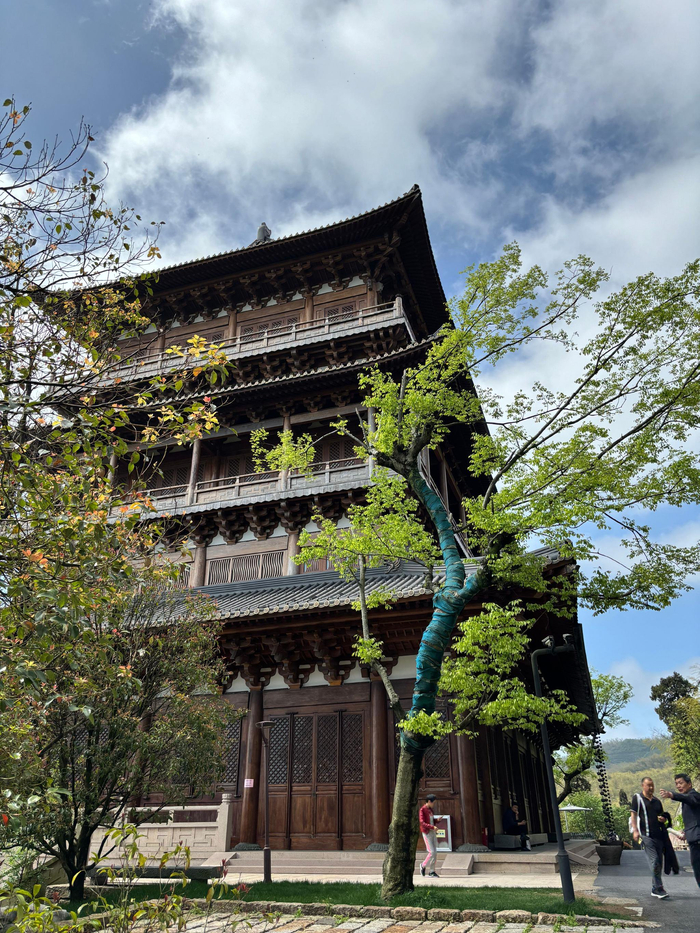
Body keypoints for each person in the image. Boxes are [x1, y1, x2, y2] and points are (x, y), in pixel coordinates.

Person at [630, 776, 669, 899]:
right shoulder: (638, 798)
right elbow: (633, 814)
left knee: (659, 863)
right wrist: (635, 830)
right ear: (643, 785)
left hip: (658, 836)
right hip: (646, 835)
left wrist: (663, 819)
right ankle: (658, 888)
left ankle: (654, 888)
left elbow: (662, 817)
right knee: (655, 861)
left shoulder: (657, 801)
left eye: (652, 785)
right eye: (648, 785)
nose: (651, 788)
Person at [660, 773, 700, 889]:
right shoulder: (686, 801)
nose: (678, 786)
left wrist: (672, 795)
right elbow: (695, 819)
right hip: (694, 839)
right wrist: (685, 831)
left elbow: (689, 799)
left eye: (681, 783)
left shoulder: (694, 796)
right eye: (676, 784)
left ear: (689, 784)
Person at [418, 793, 440, 877]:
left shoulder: (430, 810)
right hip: (427, 833)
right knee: (431, 852)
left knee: (435, 852)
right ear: (429, 801)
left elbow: (431, 821)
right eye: (433, 802)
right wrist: (432, 826)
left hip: (432, 832)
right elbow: (422, 823)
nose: (434, 804)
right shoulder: (422, 810)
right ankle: (423, 865)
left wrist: (437, 820)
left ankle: (432, 871)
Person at [659, 809, 680, 876]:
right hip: (663, 837)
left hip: (663, 837)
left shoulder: (662, 825)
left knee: (669, 853)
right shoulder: (664, 827)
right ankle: (671, 869)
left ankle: (670, 869)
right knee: (669, 853)